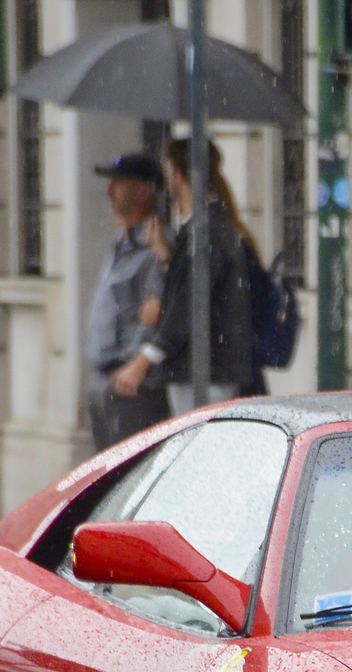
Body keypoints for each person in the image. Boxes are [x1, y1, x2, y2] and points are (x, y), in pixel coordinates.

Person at [111, 137, 270, 415]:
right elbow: (196, 288)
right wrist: (167, 257)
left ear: (178, 174)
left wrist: (143, 360)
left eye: (168, 167)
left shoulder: (205, 230)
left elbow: (190, 306)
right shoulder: (202, 228)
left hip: (206, 370)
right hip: (203, 367)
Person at [83, 152, 168, 450]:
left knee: (128, 477)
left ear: (144, 191)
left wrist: (135, 364)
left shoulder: (154, 246)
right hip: (105, 378)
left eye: (118, 183)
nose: (108, 191)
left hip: (131, 384)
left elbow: (156, 315)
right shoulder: (120, 244)